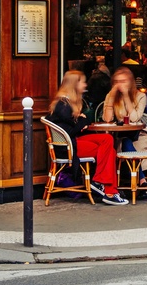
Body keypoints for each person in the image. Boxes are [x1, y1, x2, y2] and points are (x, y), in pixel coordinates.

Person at [47, 70, 129, 206]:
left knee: (107, 140)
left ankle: (102, 185)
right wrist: (82, 121)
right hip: (68, 147)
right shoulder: (63, 105)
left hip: (71, 142)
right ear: (74, 84)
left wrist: (80, 120)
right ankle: (109, 191)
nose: (85, 85)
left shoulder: (65, 103)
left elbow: (72, 127)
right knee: (110, 151)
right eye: (82, 82)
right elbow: (73, 130)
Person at [102, 67, 147, 198]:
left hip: (139, 135)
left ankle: (136, 181)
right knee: (124, 141)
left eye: (123, 81)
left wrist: (126, 96)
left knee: (126, 142)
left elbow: (134, 118)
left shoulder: (141, 96)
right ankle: (142, 181)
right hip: (118, 135)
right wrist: (112, 96)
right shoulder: (111, 96)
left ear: (130, 82)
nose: (120, 84)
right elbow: (107, 119)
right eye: (117, 81)